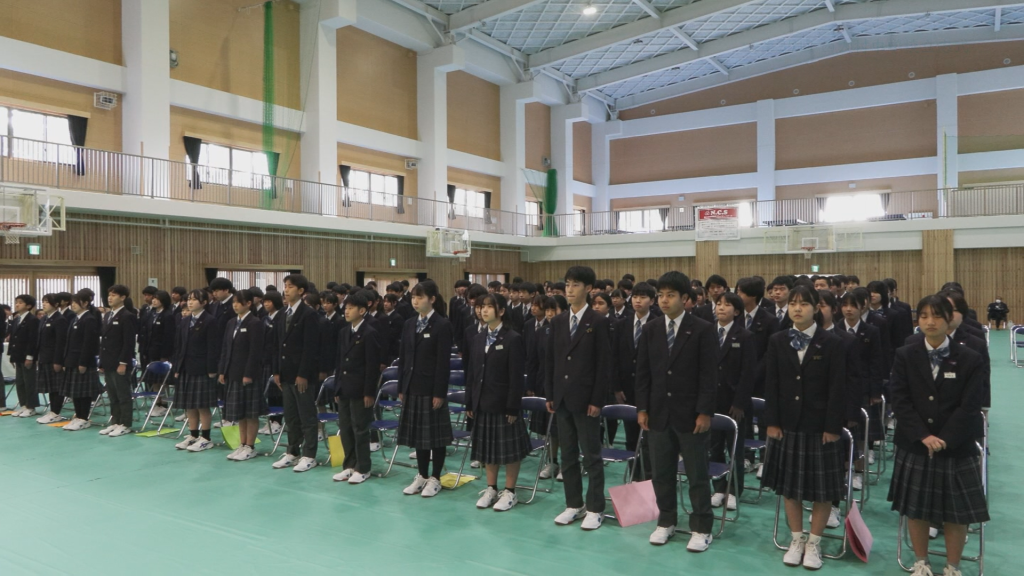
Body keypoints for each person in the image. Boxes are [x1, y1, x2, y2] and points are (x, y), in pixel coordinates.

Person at [889, 295, 988, 576]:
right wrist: (923, 435)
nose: (929, 322)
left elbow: (971, 405)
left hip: (956, 447)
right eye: (923, 316)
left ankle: (952, 566)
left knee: (956, 513)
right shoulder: (905, 354)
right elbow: (900, 400)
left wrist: (945, 438)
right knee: (916, 508)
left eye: (936, 316)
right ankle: (921, 562)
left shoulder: (970, 357)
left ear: (950, 320)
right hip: (916, 445)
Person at [761, 286, 846, 570]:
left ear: (816, 308)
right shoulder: (777, 340)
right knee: (790, 488)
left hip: (820, 426)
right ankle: (797, 539)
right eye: (793, 304)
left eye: (804, 304)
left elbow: (838, 387)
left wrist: (832, 426)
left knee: (823, 491)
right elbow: (771, 383)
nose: (797, 308)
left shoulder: (832, 342)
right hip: (787, 424)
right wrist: (772, 421)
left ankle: (814, 543)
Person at [636, 271, 718, 551]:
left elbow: (709, 375)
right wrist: (642, 408)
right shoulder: (651, 329)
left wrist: (704, 412)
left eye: (670, 295)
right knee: (661, 473)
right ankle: (666, 521)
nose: (664, 300)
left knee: (696, 474)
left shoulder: (703, 329)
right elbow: (643, 373)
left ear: (685, 298)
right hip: (658, 413)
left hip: (691, 414)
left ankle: (701, 527)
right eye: (660, 295)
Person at [545, 266, 612, 531]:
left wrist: (597, 400)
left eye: (575, 285)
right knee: (568, 455)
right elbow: (551, 360)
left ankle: (595, 507)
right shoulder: (558, 321)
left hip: (586, 400)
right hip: (562, 398)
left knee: (591, 456)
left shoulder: (598, 321)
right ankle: (574, 504)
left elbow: (603, 364)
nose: (569, 290)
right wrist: (550, 394)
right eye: (567, 284)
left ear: (588, 288)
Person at [467, 293, 530, 511]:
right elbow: (472, 373)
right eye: (481, 306)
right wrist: (470, 401)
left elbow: (516, 376)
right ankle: (491, 488)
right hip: (482, 402)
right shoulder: (477, 338)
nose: (483, 310)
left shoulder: (513, 338)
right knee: (487, 449)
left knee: (510, 451)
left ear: (501, 311)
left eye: (489, 307)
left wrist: (513, 405)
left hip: (504, 404)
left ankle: (510, 491)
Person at [396, 281, 454, 498]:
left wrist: (439, 392)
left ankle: (435, 477)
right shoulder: (409, 323)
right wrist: (402, 386)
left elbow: (443, 363)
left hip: (431, 388)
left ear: (432, 299)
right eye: (413, 297)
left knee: (435, 437)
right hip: (412, 386)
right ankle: (421, 475)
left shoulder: (442, 324)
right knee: (419, 436)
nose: (415, 301)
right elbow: (403, 357)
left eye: (420, 297)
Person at [271, 274, 322, 472]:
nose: (286, 290)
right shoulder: (282, 314)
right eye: (285, 286)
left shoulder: (309, 315)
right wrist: (277, 371)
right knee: (291, 416)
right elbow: (277, 345)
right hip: (286, 373)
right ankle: (292, 451)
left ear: (301, 291)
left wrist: (303, 374)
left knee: (307, 416)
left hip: (302, 375)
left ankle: (309, 455)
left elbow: (311, 348)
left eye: (290, 286)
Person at [709, 291, 755, 510]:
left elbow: (748, 373)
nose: (721, 307)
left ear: (736, 311)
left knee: (735, 449)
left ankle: (735, 490)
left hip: (735, 403)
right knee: (714, 447)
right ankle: (718, 488)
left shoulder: (745, 336)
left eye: (727, 305)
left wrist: (739, 403)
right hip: (712, 401)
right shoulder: (707, 333)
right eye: (718, 303)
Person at [331, 291, 381, 485]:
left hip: (360, 389)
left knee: (360, 429)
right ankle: (349, 465)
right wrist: (337, 387)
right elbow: (339, 362)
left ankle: (363, 467)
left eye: (351, 308)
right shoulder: (344, 332)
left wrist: (369, 392)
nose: (346, 311)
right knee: (345, 428)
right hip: (344, 387)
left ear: (362, 310)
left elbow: (372, 366)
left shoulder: (370, 332)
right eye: (346, 307)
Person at [219, 290, 266, 461]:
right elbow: (226, 348)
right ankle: (242, 444)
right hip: (233, 373)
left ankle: (250, 446)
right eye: (233, 302)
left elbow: (255, 351)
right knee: (240, 412)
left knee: (250, 413)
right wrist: (223, 370)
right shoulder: (231, 322)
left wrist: (249, 373)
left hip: (248, 374)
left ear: (248, 304)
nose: (235, 305)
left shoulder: (255, 323)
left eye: (238, 302)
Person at [173, 289, 220, 451]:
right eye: (189, 299)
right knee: (189, 405)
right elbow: (179, 346)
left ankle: (205, 437)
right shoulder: (185, 320)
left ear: (204, 302)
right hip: (186, 367)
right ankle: (193, 435)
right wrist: (177, 367)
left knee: (202, 405)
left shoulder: (210, 321)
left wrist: (212, 369)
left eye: (194, 299)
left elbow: (213, 347)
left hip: (202, 369)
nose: (190, 302)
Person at [98, 286, 138, 436]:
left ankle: (125, 424)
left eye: (114, 295)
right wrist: (102, 362)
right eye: (109, 295)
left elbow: (128, 342)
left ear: (122, 298)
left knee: (123, 395)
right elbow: (104, 340)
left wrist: (123, 362)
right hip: (108, 361)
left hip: (120, 362)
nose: (110, 298)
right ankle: (115, 421)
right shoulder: (108, 315)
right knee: (112, 394)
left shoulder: (127, 316)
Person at [60, 293, 103, 431]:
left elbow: (88, 343)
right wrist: (65, 361)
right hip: (71, 360)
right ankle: (78, 416)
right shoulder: (75, 319)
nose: (72, 305)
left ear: (85, 303)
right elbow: (68, 342)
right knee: (75, 392)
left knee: (83, 393)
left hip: (83, 361)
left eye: (76, 302)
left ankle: (84, 418)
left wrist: (83, 362)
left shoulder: (89, 319)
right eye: (72, 302)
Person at [34, 294, 69, 424]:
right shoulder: (44, 319)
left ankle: (56, 412)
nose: (44, 304)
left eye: (47, 302)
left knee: (56, 387)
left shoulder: (60, 319)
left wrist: (58, 361)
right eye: (43, 301)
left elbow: (61, 342)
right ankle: (52, 411)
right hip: (44, 357)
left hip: (54, 358)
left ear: (56, 304)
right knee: (50, 387)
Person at [8, 294, 40, 418]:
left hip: (27, 355)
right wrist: (11, 355)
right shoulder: (16, 319)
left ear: (29, 306)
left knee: (29, 381)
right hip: (17, 355)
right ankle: (23, 405)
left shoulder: (33, 320)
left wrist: (30, 357)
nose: (17, 305)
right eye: (16, 302)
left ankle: (31, 406)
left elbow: (33, 340)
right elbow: (13, 338)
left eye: (20, 302)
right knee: (20, 382)